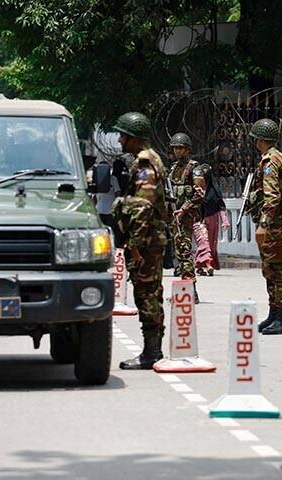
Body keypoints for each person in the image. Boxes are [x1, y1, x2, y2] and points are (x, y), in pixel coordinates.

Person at [112, 112, 169, 370]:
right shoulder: (148, 159)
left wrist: (134, 243)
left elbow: (144, 207)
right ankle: (152, 349)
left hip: (145, 240)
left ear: (134, 138)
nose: (120, 139)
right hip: (150, 238)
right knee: (151, 292)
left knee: (146, 294)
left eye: (123, 135)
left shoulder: (145, 163)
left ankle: (151, 352)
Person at [249, 118, 282, 336]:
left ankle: (281, 318)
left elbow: (272, 195)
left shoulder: (270, 161)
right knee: (270, 268)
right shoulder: (277, 157)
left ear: (260, 139)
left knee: (276, 269)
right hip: (276, 222)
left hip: (273, 223)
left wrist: (264, 224)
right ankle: (274, 313)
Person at [167, 133, 204, 303]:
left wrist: (184, 209)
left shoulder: (194, 169)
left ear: (187, 149)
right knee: (179, 253)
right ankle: (184, 290)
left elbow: (199, 194)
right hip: (174, 217)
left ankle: (191, 291)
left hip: (186, 217)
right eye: (175, 148)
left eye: (180, 148)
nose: (177, 151)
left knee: (185, 252)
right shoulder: (173, 168)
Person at [194, 163, 230, 275]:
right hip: (199, 220)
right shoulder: (194, 191)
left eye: (204, 179)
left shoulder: (214, 192)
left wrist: (224, 221)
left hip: (213, 219)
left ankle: (200, 266)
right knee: (203, 242)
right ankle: (208, 264)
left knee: (211, 245)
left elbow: (221, 206)